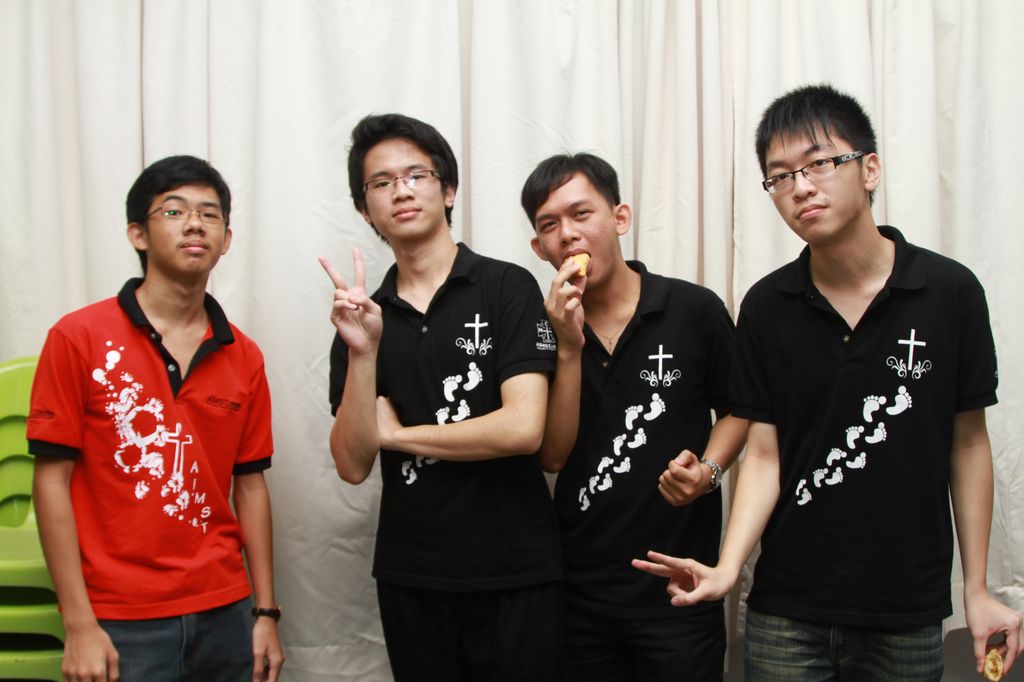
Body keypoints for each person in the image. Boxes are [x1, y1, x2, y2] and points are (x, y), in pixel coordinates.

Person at [633, 83, 1024, 679]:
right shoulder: (767, 305)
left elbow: (967, 444)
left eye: (819, 163)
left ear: (870, 169)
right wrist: (729, 565)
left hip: (906, 607)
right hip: (787, 610)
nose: (800, 187)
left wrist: (976, 589)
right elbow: (764, 454)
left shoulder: (950, 292)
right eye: (779, 176)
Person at [321, 113, 562, 681]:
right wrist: (364, 353)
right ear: (365, 209)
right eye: (381, 182)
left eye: (417, 175)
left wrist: (399, 436)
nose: (401, 191)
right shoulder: (363, 318)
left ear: (448, 190)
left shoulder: (506, 286)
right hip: (412, 574)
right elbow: (352, 464)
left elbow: (523, 428)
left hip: (516, 568)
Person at [28, 155, 284, 681]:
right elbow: (52, 481)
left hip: (225, 610)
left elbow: (250, 485)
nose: (194, 224)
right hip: (119, 618)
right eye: (174, 211)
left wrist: (265, 613)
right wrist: (78, 622)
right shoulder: (77, 337)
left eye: (209, 214)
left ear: (226, 239)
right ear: (138, 234)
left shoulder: (244, 355)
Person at [521, 152, 748, 680]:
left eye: (582, 214)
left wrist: (709, 471)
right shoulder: (539, 327)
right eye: (549, 225)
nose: (568, 235)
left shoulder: (694, 309)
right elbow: (553, 456)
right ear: (539, 248)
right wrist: (568, 344)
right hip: (578, 589)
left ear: (620, 218)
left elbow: (739, 409)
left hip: (679, 584)